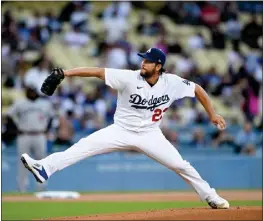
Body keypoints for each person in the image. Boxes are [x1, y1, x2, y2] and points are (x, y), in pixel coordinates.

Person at [21, 48, 229, 209]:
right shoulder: (129, 77)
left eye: (147, 61)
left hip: (150, 134)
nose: (143, 63)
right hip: (120, 131)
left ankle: (211, 196)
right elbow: (96, 72)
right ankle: (44, 168)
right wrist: (66, 73)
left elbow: (198, 89)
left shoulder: (172, 82)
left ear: (158, 66)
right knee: (81, 147)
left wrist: (212, 113)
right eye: (143, 59)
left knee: (181, 165)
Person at [7, 86, 55, 192]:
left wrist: (47, 129)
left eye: (33, 91)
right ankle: (22, 187)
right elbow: (9, 115)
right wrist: (15, 128)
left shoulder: (44, 104)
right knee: (23, 162)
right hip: (24, 134)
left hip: (40, 134)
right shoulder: (20, 103)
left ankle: (41, 186)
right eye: (30, 91)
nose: (32, 93)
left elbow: (52, 116)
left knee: (41, 161)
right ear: (26, 92)